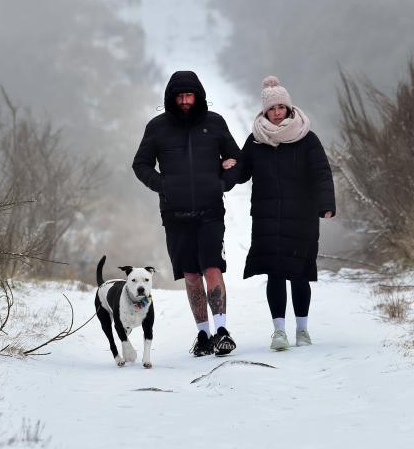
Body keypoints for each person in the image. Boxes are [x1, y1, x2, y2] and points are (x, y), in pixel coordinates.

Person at [222, 76, 336, 351]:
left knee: (299, 273)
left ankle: (303, 330)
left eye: (281, 107)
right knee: (274, 273)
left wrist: (326, 204)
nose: (277, 112)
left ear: (288, 108)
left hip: (302, 216)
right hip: (267, 216)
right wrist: (226, 169)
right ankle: (279, 332)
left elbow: (321, 173)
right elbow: (243, 171)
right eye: (272, 108)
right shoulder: (256, 141)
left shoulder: (307, 138)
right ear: (264, 111)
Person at [132, 70, 241, 356]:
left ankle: (221, 331)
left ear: (198, 96)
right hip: (175, 214)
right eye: (179, 96)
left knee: (213, 268)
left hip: (210, 211)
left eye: (189, 95)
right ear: (171, 98)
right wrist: (163, 186)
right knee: (191, 274)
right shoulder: (157, 127)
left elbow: (237, 160)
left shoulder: (215, 123)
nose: (184, 101)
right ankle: (203, 336)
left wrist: (222, 182)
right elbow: (140, 165)